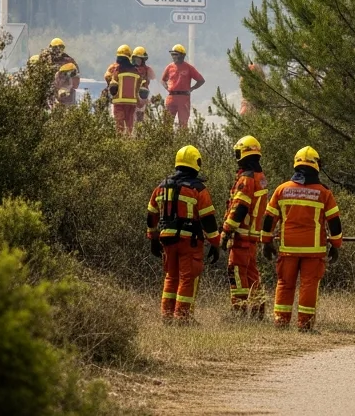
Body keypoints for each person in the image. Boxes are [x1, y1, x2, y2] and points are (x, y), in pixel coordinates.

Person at [262, 146, 342, 331]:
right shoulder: (324, 192)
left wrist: (266, 242)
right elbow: (335, 222)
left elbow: (268, 219)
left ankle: (281, 322)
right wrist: (335, 245)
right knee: (309, 286)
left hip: (288, 249)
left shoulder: (282, 190)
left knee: (284, 284)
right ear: (316, 166)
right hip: (313, 251)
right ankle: (305, 325)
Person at [146, 145, 221, 323]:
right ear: (196, 164)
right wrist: (216, 243)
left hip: (167, 239)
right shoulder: (198, 189)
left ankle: (167, 316)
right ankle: (182, 317)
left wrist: (153, 238)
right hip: (189, 241)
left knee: (171, 276)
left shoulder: (162, 186)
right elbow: (208, 220)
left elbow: (151, 214)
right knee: (187, 278)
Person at [222, 135, 269, 316]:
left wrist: (226, 230)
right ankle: (258, 310)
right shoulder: (260, 177)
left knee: (236, 272)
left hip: (241, 235)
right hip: (252, 236)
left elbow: (240, 208)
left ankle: (239, 311)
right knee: (251, 274)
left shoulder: (246, 179)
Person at [161, 44, 206, 129]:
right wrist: (167, 88)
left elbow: (201, 80)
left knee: (183, 124)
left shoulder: (189, 68)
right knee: (166, 124)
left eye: (175, 54)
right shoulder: (169, 67)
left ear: (182, 55)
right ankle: (166, 141)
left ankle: (182, 141)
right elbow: (163, 80)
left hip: (184, 98)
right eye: (172, 54)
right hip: (171, 98)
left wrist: (192, 89)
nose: (173, 56)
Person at [106, 44, 142, 136]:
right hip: (131, 103)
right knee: (130, 125)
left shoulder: (114, 67)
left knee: (119, 125)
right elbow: (138, 85)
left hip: (119, 102)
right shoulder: (135, 70)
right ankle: (129, 142)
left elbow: (107, 76)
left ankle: (120, 144)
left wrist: (111, 83)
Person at [41, 38, 80, 105]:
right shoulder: (45, 60)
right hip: (51, 93)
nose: (58, 50)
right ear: (51, 48)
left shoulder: (69, 61)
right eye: (56, 48)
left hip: (66, 94)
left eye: (60, 48)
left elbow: (76, 78)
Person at [131, 46, 154, 126]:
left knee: (142, 118)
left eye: (139, 59)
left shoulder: (148, 69)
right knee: (132, 118)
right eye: (136, 59)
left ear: (143, 60)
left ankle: (140, 135)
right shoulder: (130, 69)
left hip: (143, 96)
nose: (137, 61)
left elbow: (153, 79)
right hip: (132, 96)